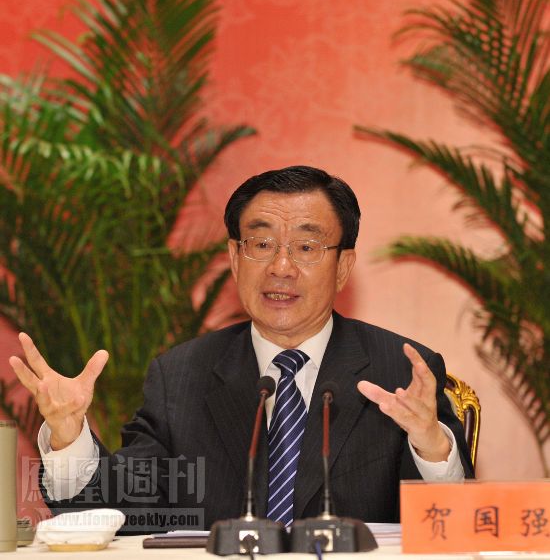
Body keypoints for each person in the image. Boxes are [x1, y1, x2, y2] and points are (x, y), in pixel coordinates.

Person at [9, 165, 474, 531]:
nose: (281, 266)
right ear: (235, 258)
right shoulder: (181, 376)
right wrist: (68, 436)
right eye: (262, 244)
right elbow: (118, 509)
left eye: (306, 247)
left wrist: (430, 446)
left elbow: (452, 522)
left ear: (343, 266)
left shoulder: (399, 370)